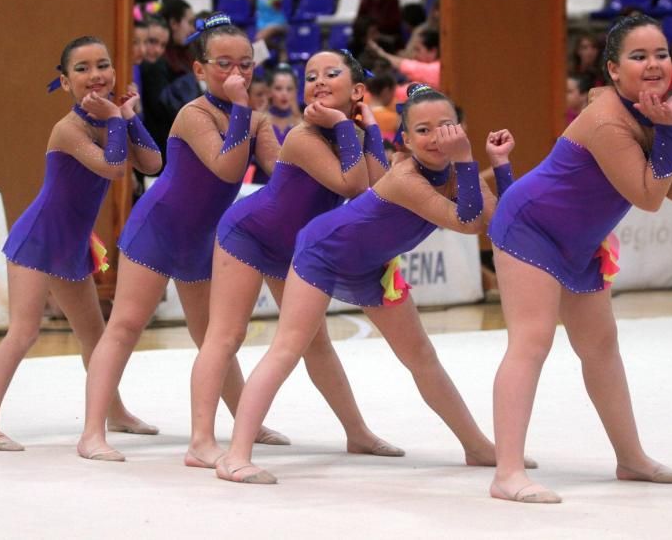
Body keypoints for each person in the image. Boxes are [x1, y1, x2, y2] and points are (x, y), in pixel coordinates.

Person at [216, 83, 534, 484]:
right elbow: (466, 223)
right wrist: (469, 160)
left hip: (372, 267)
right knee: (288, 348)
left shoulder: (457, 173)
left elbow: (500, 220)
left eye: (445, 125)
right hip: (323, 252)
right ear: (403, 140)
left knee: (422, 356)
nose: (436, 137)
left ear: (461, 127)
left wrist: (500, 164)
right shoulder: (406, 178)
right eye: (422, 130)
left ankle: (476, 446)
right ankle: (236, 455)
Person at [489, 15, 672, 504]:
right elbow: (650, 197)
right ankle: (507, 473)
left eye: (661, 54)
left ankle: (631, 459)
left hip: (579, 242)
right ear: (612, 69)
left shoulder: (654, 113)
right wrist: (668, 129)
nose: (653, 65)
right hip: (531, 228)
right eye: (638, 56)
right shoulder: (608, 118)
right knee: (532, 341)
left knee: (601, 347)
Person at [77, 14, 282, 461]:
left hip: (202, 238)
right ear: (199, 70)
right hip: (158, 228)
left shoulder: (259, 121)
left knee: (213, 335)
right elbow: (228, 167)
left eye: (245, 64)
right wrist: (244, 109)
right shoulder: (194, 114)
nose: (237, 73)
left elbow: (284, 177)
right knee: (127, 326)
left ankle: (248, 420)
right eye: (224, 64)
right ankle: (93, 431)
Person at [188, 49, 402, 468]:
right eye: (311, 76)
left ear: (357, 90)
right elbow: (353, 184)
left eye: (331, 74)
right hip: (248, 234)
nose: (318, 81)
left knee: (315, 342)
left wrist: (369, 123)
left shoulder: (351, 136)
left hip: (291, 247)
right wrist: (346, 123)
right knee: (226, 335)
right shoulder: (304, 136)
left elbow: (378, 186)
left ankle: (357, 432)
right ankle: (200, 440)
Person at [0, 36, 162, 452]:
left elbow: (152, 163)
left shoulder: (109, 120)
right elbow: (113, 167)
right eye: (82, 68)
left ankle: (114, 410)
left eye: (102, 65)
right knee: (24, 331)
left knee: (95, 335)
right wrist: (116, 122)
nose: (95, 75)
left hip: (72, 244)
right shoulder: (69, 129)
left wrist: (128, 117)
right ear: (65, 81)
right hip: (38, 239)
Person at [265, 65, 302, 144]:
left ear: (295, 92)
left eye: (289, 89)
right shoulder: (260, 122)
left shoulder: (302, 125)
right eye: (278, 88)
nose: (284, 94)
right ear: (269, 91)